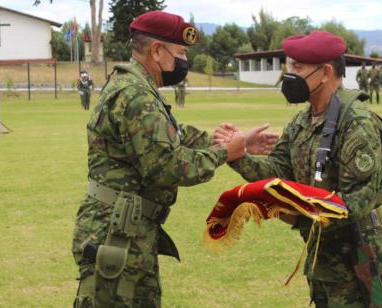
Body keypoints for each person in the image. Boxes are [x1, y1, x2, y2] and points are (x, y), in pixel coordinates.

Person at [71, 11, 277, 307]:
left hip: (127, 227)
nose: (183, 61)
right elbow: (167, 166)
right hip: (115, 231)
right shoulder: (135, 93)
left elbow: (172, 135)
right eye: (180, 52)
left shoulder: (137, 87)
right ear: (157, 50)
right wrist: (224, 152)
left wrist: (231, 141)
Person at [216, 31, 382, 307]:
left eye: (297, 68)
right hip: (322, 255)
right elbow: (278, 170)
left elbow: (355, 202)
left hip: (357, 257)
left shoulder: (357, 124)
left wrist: (294, 215)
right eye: (290, 66)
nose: (290, 74)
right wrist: (238, 155)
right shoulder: (302, 120)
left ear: (325, 72)